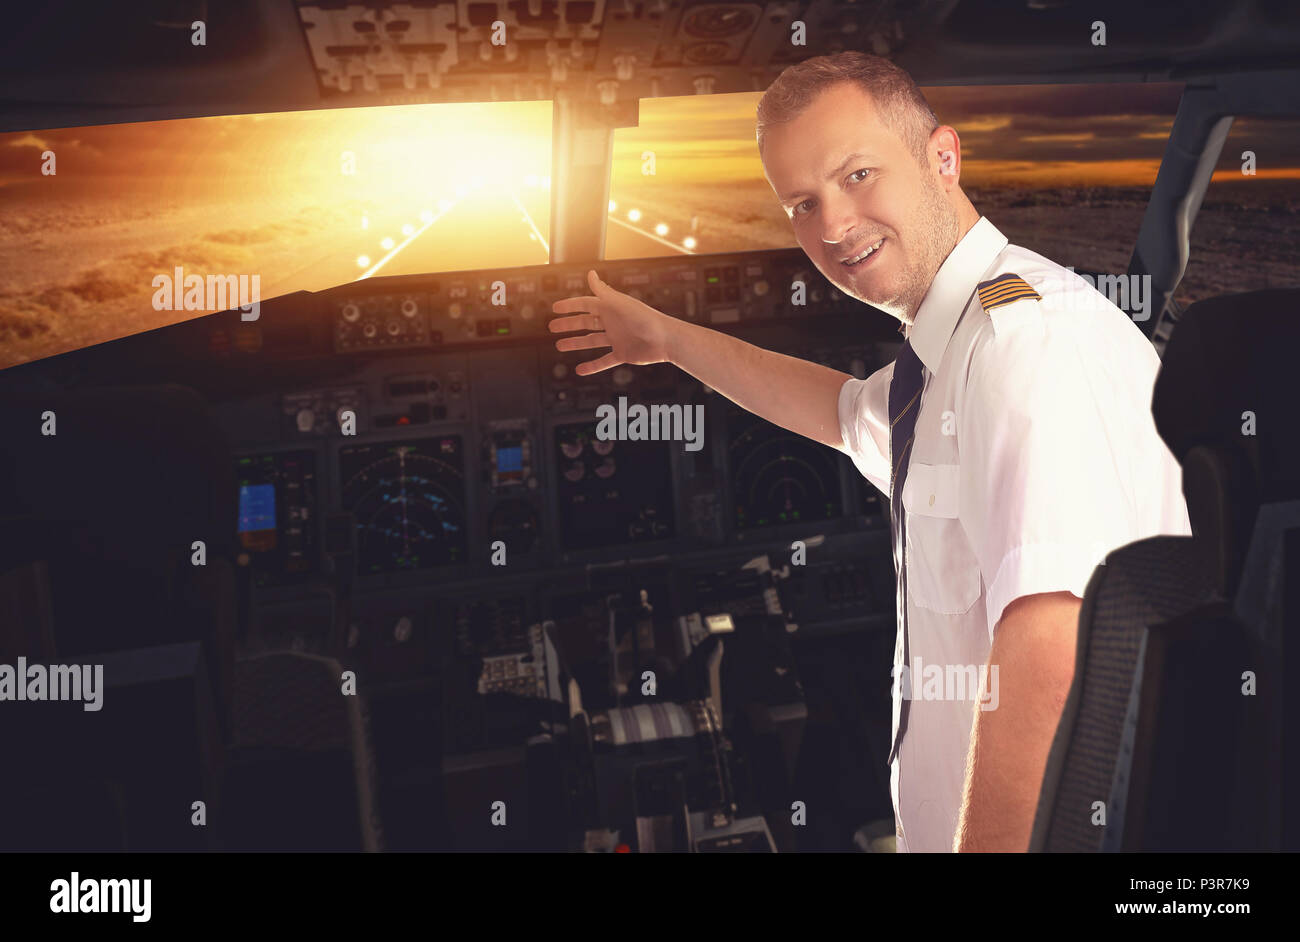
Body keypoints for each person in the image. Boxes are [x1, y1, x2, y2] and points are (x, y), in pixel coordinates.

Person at [548, 51, 1191, 852]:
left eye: (857, 175)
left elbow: (1051, 653)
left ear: (943, 157)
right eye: (803, 204)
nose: (833, 226)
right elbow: (840, 410)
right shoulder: (954, 349)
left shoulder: (1027, 344)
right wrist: (668, 340)